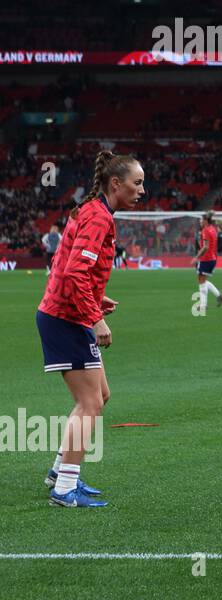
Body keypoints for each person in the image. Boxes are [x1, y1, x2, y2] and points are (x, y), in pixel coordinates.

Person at [37, 151, 145, 507]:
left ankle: (60, 471)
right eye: (137, 182)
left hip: (70, 313)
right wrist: (95, 317)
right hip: (65, 319)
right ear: (116, 183)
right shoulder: (99, 217)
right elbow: (72, 273)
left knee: (101, 396)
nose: (142, 190)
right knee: (89, 402)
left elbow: (64, 264)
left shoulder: (95, 212)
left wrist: (98, 301)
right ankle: (65, 489)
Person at [191, 212, 222, 310]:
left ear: (205, 221)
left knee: (201, 281)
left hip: (205, 258)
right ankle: (218, 296)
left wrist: (196, 257)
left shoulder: (205, 230)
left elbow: (205, 247)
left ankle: (203, 305)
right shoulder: (213, 229)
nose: (200, 221)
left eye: (201, 220)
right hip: (213, 258)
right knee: (203, 280)